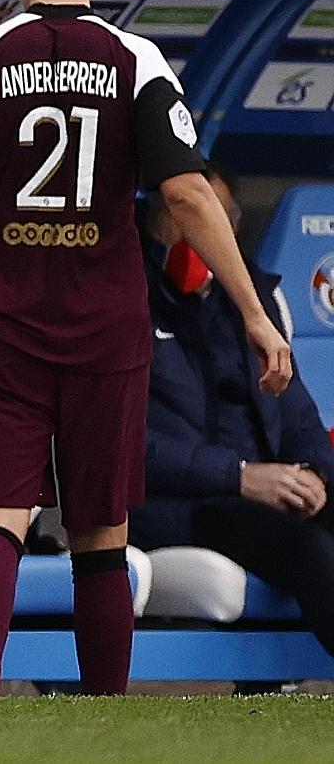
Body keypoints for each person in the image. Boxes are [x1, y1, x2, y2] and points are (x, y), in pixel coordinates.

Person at [0, 0, 292, 696]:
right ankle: (107, 710)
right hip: (106, 326)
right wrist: (253, 313)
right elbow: (184, 192)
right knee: (100, 529)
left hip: (4, 319)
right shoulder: (138, 61)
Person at [131, 165, 334, 658]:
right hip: (186, 504)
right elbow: (125, 445)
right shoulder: (123, 301)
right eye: (194, 215)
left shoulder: (254, 304)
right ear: (159, 223)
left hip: (265, 492)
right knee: (307, 549)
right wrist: (240, 476)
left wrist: (311, 475)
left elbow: (297, 409)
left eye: (222, 218)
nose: (210, 230)